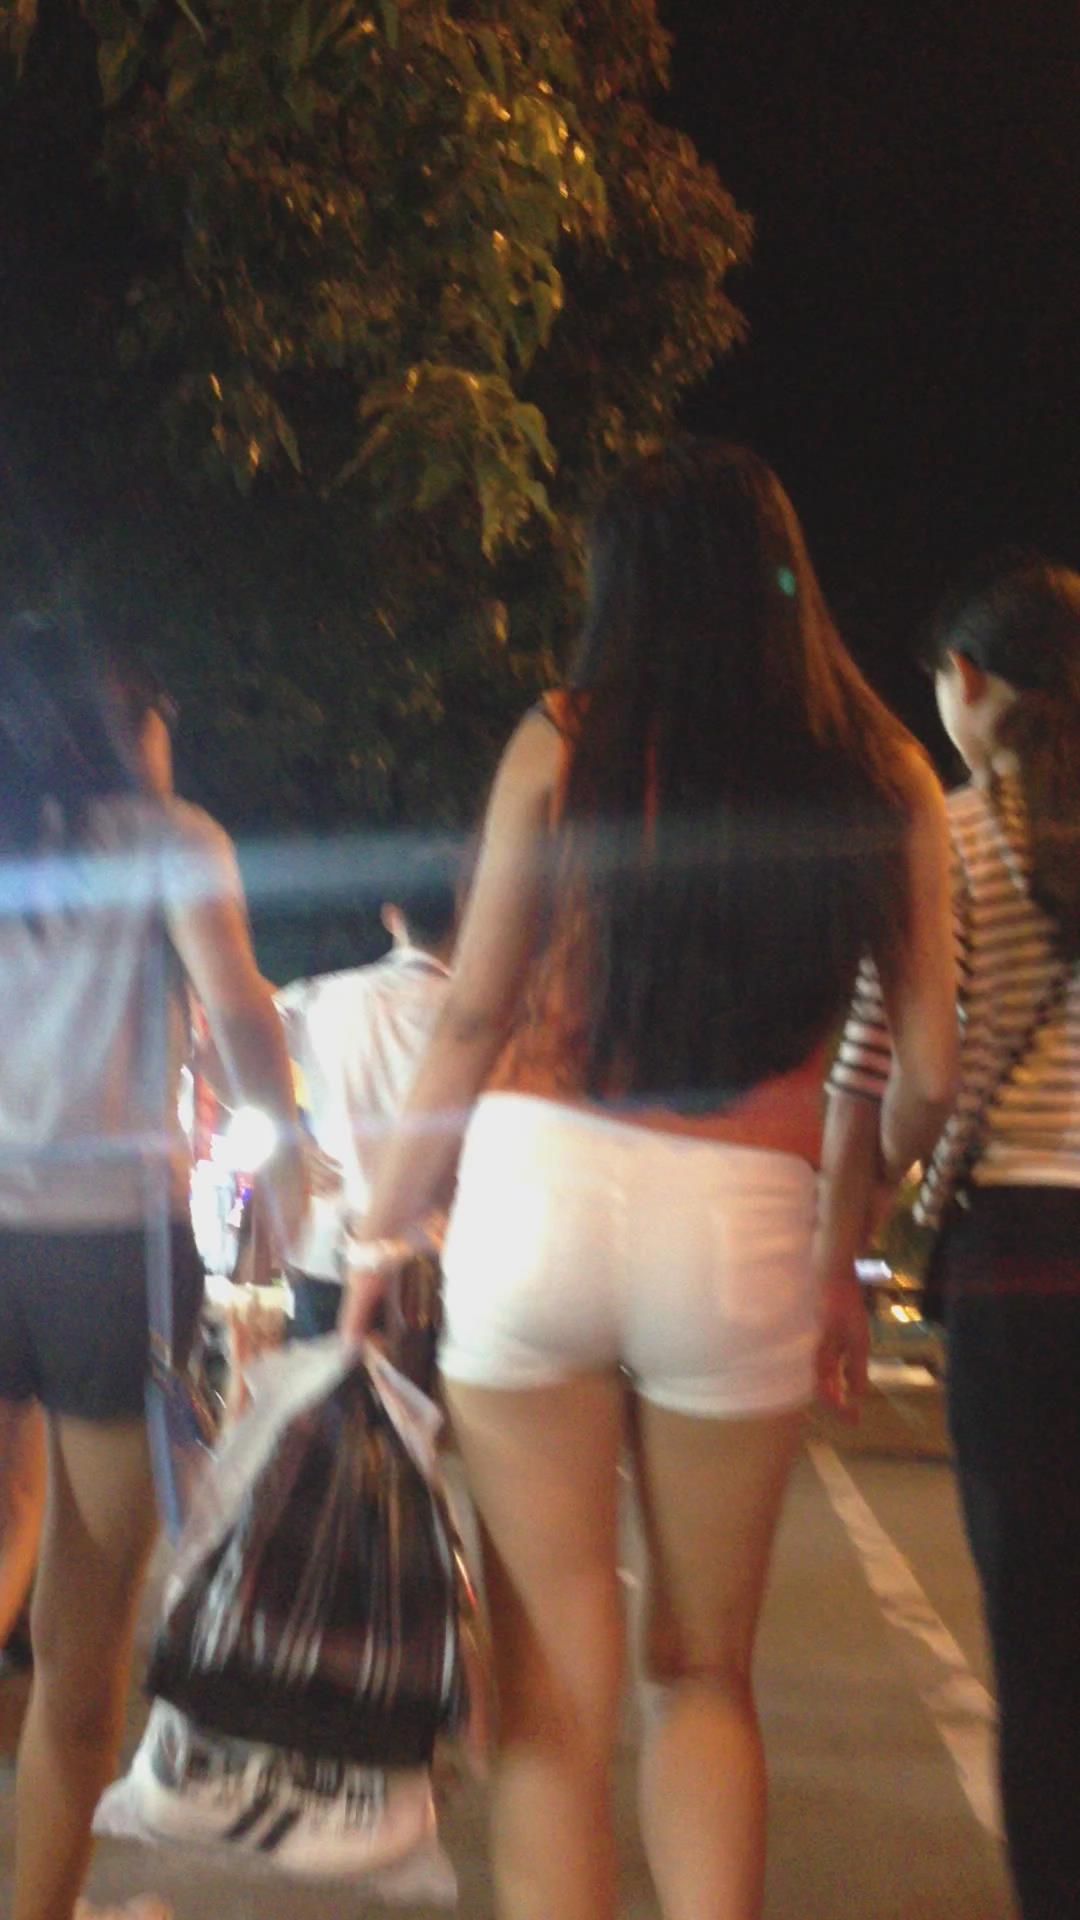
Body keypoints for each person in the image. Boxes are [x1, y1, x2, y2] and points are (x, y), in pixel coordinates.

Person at [341, 441, 957, 1920]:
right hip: (742, 1227)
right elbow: (928, 1076)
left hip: (537, 1200)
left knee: (552, 1698)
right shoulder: (884, 771)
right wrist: (845, 1238)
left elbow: (472, 1017)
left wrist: (379, 1235)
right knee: (703, 1673)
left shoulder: (565, 740)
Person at [0, 611, 306, 1920]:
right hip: (107, 1259)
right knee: (82, 1642)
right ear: (129, 722)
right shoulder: (173, 840)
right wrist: (287, 1165)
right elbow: (238, 1010)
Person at [824, 558, 1080, 1920]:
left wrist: (848, 1239)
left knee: (1041, 1646)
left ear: (967, 681)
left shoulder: (961, 837)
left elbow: (896, 1069)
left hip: (1025, 1256)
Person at [274, 843, 457, 1340]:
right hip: (441, 1261)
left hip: (331, 1253)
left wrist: (292, 1141)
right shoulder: (483, 1019)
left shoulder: (317, 997)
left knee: (327, 1386)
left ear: (392, 917)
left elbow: (216, 1052)